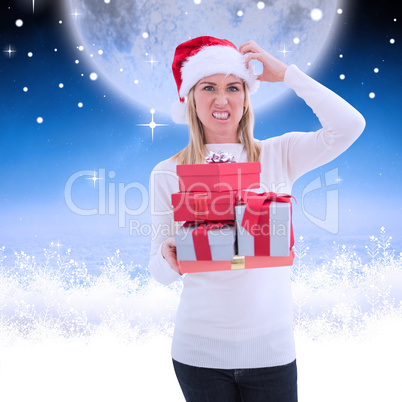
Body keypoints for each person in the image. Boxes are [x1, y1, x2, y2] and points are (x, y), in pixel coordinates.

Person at [149, 36, 365, 401]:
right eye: (208, 87)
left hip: (271, 352)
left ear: (247, 96)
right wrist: (169, 257)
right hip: (198, 354)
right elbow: (158, 270)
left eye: (233, 87)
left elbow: (349, 126)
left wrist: (289, 75)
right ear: (189, 98)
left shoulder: (279, 154)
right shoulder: (167, 172)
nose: (222, 99)